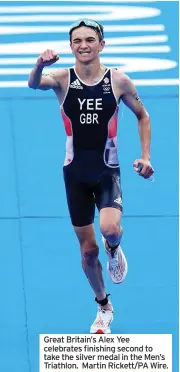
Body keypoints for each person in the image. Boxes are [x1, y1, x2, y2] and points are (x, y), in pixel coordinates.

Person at [28, 19, 154, 334]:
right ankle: (103, 306)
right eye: (77, 41)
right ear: (71, 47)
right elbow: (33, 84)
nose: (83, 45)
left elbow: (143, 115)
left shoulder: (119, 81)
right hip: (75, 175)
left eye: (89, 39)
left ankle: (114, 247)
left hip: (107, 170)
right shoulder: (60, 79)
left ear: (101, 44)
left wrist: (146, 156)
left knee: (110, 229)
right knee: (87, 252)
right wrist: (39, 64)